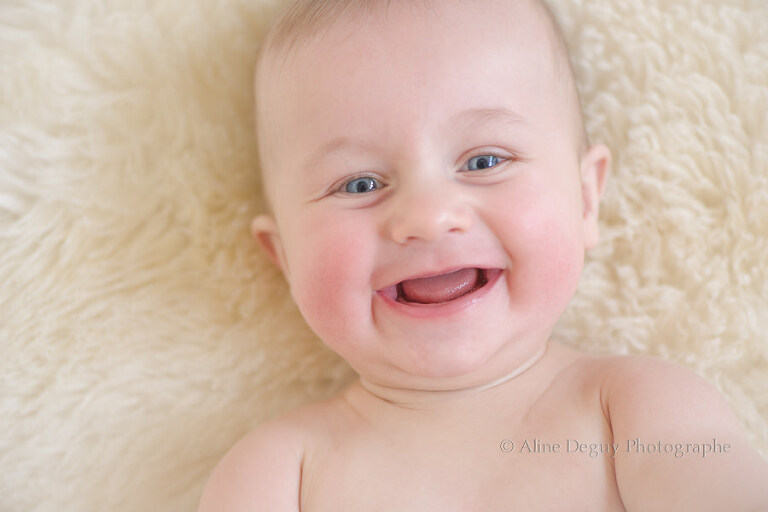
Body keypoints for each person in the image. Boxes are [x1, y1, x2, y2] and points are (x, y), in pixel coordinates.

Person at [198, 0, 768, 509]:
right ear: (285, 258)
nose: (427, 217)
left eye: (484, 161)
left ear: (585, 200)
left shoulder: (638, 411)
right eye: (359, 184)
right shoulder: (278, 473)